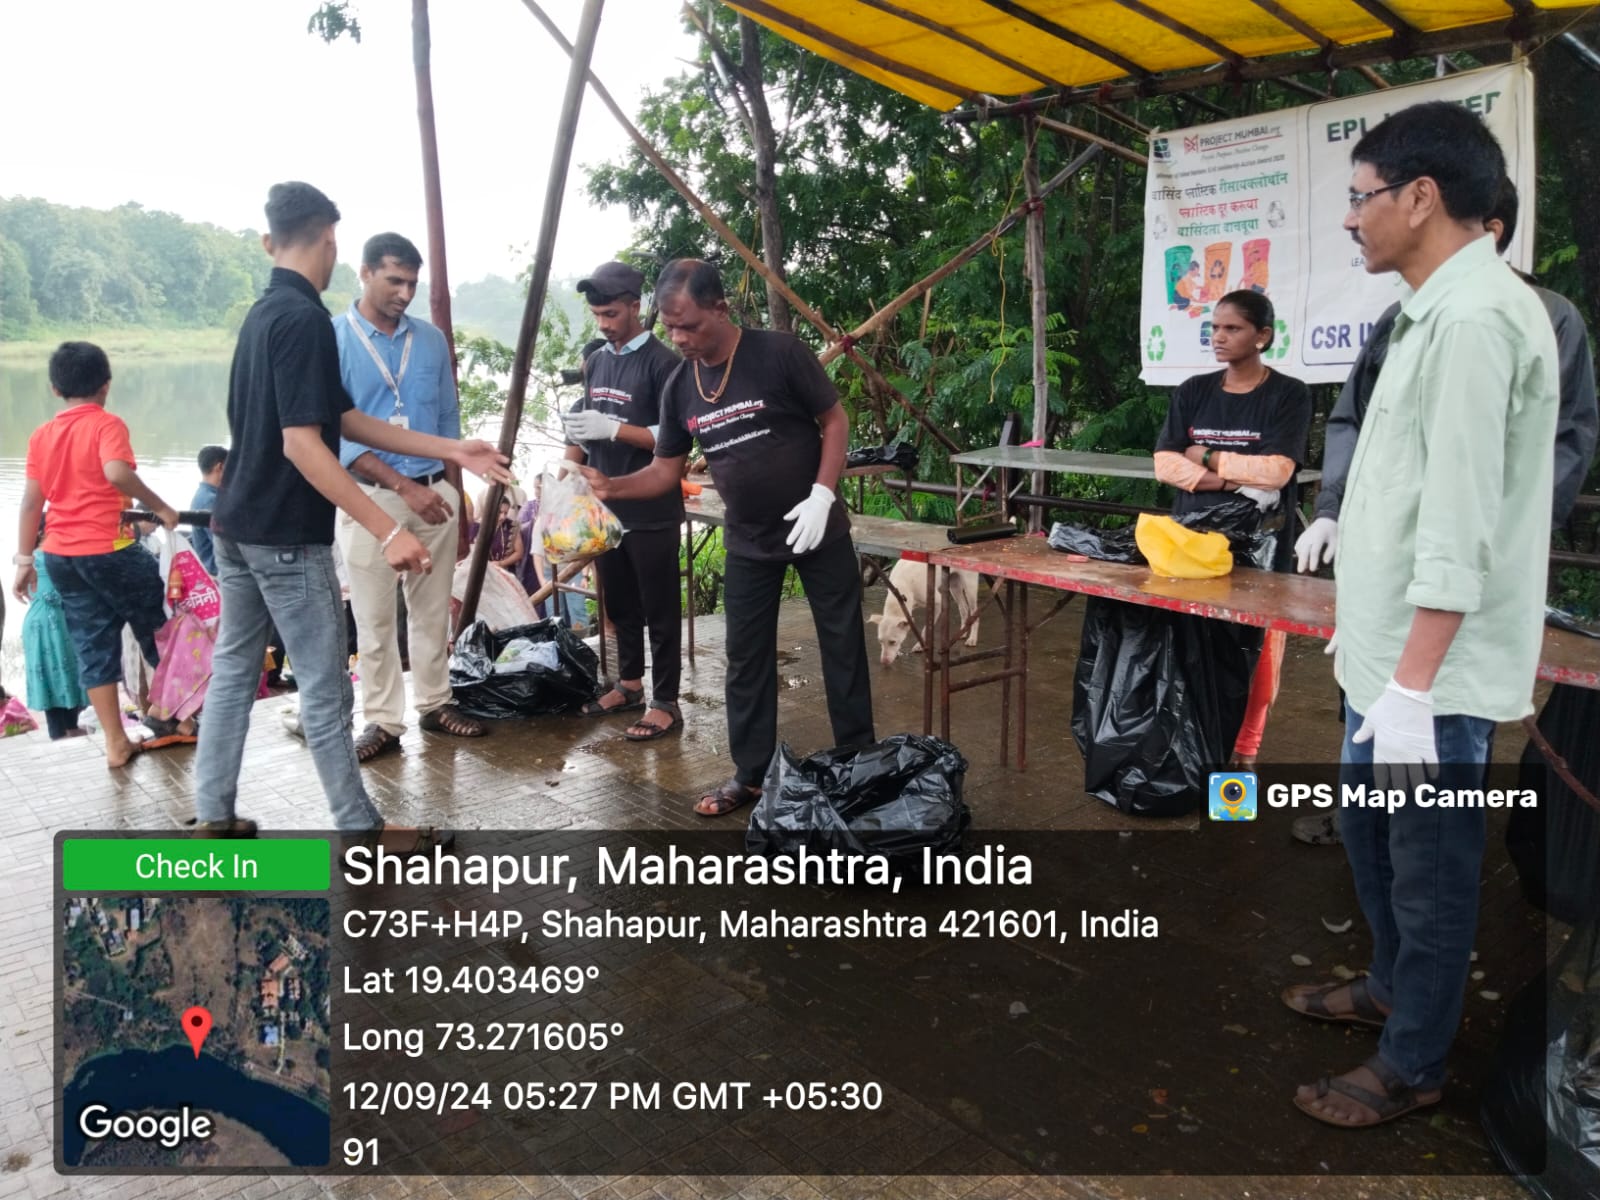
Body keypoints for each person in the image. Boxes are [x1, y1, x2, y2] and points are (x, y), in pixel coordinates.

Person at [1281, 103, 1559, 1130]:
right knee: (1369, 835)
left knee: (1430, 871)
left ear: (1421, 197)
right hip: (1386, 659)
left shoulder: (1478, 320)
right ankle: (1393, 989)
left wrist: (1410, 687)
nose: (1351, 218)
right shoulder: (1430, 311)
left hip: (1425, 680)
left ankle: (1415, 1064)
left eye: (1361, 197)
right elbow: (1399, 481)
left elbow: (1458, 521)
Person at [193, 181, 509, 839]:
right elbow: (304, 444)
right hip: (285, 533)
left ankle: (214, 816)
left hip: (236, 525)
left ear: (269, 241)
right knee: (326, 688)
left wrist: (452, 448)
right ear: (334, 244)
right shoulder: (308, 321)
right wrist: (386, 527)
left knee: (233, 671)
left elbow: (344, 418)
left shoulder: (262, 314)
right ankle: (361, 830)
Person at [1291, 175, 1598, 846]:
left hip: (1462, 578)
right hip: (1385, 575)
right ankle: (1367, 819)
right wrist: (1335, 511)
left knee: (1438, 779)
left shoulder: (1536, 317)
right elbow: (1353, 419)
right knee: (1371, 746)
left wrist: (1501, 543)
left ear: (1485, 230)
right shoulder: (1404, 316)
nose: (1355, 221)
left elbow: (1562, 445)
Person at [580, 258, 875, 816]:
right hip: (749, 540)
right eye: (671, 327)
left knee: (843, 647)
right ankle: (751, 775)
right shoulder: (679, 384)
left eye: (689, 325)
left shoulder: (779, 353)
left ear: (720, 308)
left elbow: (834, 421)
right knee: (746, 659)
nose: (679, 338)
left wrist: (822, 494)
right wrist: (612, 486)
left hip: (817, 528)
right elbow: (665, 470)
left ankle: (857, 766)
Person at [334, 231, 485, 762]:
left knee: (432, 611)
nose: (404, 293)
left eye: (412, 284)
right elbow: (336, 434)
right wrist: (402, 487)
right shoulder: (334, 338)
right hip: (370, 498)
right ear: (365, 273)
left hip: (434, 492)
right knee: (374, 619)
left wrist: (453, 494)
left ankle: (436, 703)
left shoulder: (430, 340)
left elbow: (447, 420)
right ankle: (381, 721)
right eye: (394, 281)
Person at [1154, 289, 1312, 767]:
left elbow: (1277, 472)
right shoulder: (1194, 391)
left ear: (1262, 335)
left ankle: (1243, 759)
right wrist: (1230, 478)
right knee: (1194, 651)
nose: (1219, 337)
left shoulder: (1289, 394)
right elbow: (1165, 463)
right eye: (1215, 327)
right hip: (1193, 546)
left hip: (1260, 550)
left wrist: (1203, 455)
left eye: (1232, 328)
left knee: (1256, 658)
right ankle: (1193, 758)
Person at [12, 341, 179, 768]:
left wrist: (24, 561)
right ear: (106, 385)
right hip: (109, 549)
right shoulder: (107, 424)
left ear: (54, 389)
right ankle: (176, 717)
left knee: (92, 645)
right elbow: (116, 472)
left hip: (61, 557)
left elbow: (31, 503)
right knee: (160, 627)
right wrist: (160, 507)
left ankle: (116, 743)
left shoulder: (41, 435)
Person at [562, 260, 684, 741]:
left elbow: (673, 439)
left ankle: (666, 701)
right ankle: (629, 684)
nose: (604, 324)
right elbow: (590, 427)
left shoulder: (663, 363)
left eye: (611, 314)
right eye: (597, 316)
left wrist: (615, 429)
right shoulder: (598, 361)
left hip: (651, 507)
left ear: (636, 307)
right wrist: (579, 442)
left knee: (661, 609)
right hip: (605, 507)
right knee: (620, 603)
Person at [21, 521, 89, 739]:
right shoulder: (52, 554)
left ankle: (60, 730)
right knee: (65, 668)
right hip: (53, 620)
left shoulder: (29, 558)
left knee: (50, 673)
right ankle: (67, 727)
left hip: (40, 620)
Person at [190, 445, 227, 575]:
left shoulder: (204, 494)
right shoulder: (210, 500)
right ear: (220, 467)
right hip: (216, 568)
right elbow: (224, 544)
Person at [488, 496, 524, 572]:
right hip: (485, 571)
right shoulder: (480, 527)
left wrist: (501, 563)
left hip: (506, 571)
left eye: (505, 513)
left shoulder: (512, 526)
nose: (503, 517)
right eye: (500, 512)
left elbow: (519, 552)